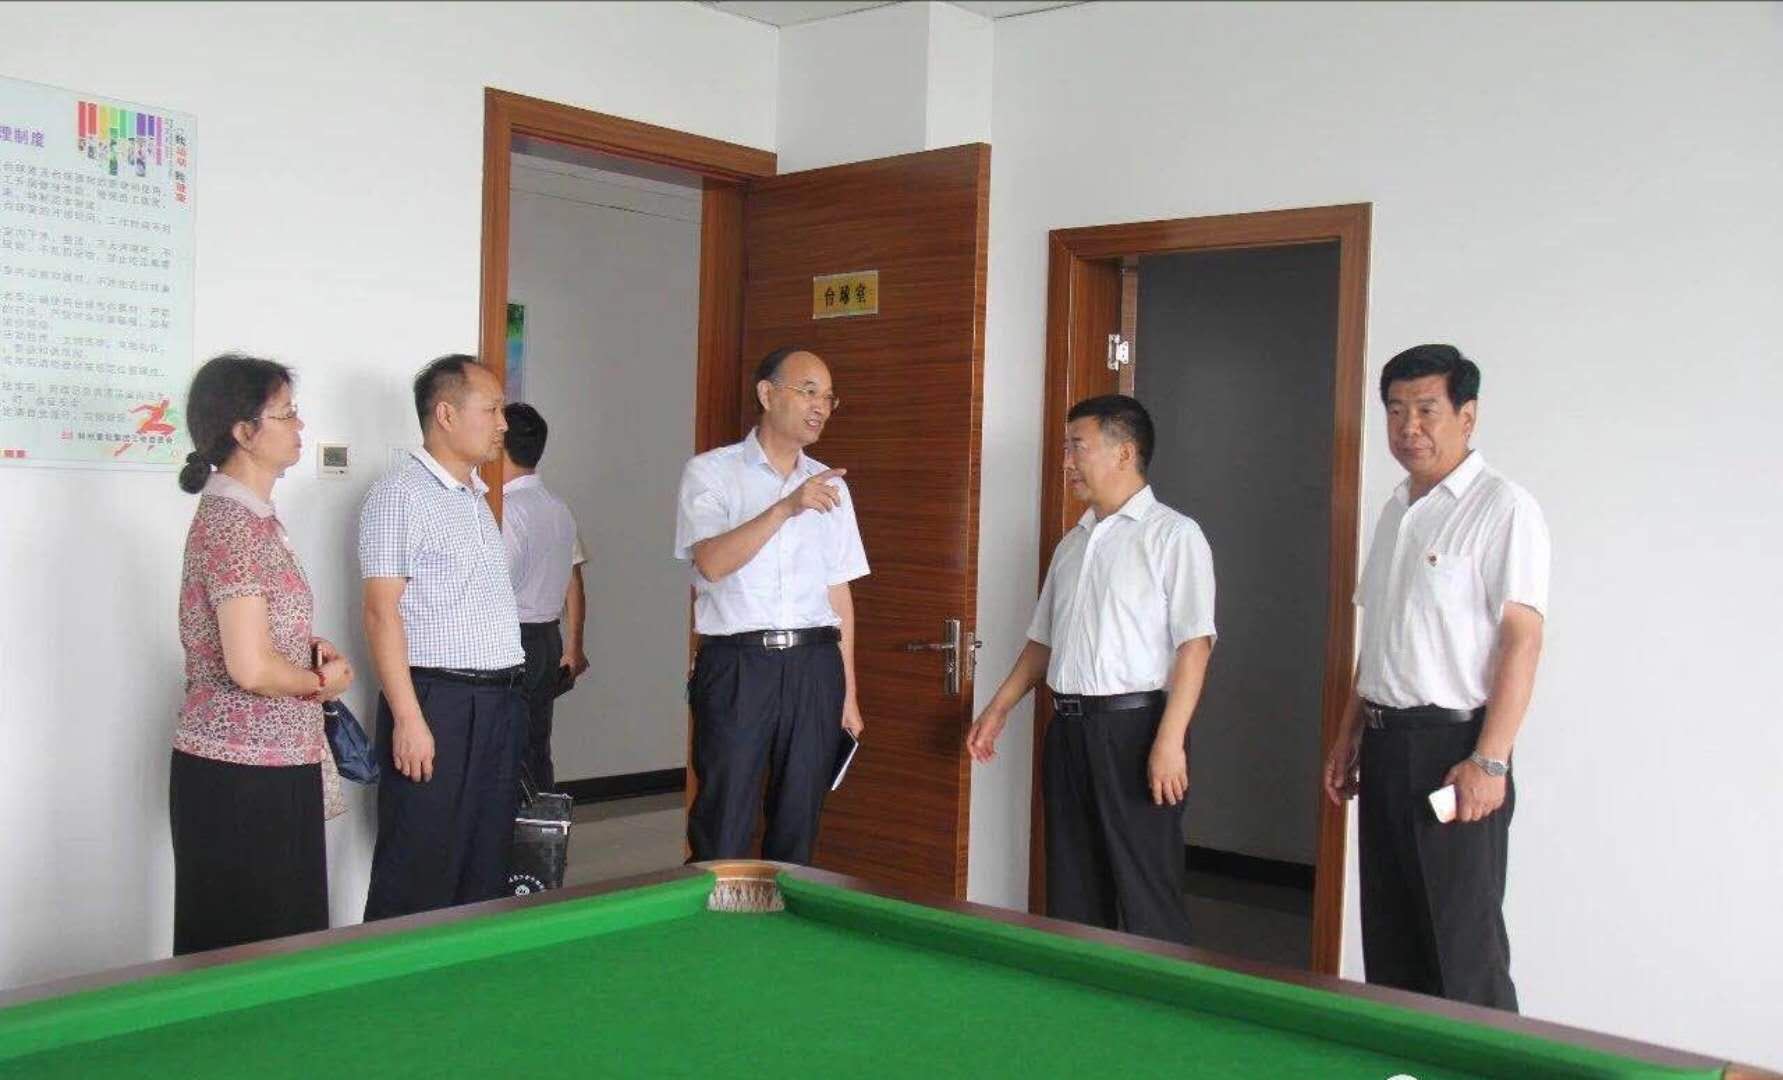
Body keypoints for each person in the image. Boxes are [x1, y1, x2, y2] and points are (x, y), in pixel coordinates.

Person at [1323, 343, 1550, 1011]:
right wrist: (1348, 735)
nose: (1408, 427)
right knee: (1392, 940)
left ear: (1466, 416)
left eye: (1426, 409)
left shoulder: (1501, 507)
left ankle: (1489, 1060)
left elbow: (1522, 639)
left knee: (1462, 949)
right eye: (1395, 411)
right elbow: (1380, 639)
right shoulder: (1397, 510)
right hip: (1384, 743)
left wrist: (1490, 760)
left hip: (1454, 751)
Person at [967, 394, 1214, 945]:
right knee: (1073, 888)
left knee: (1146, 889)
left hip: (1137, 731)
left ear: (1125, 452)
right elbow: (1042, 642)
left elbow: (1194, 647)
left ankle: (1161, 995)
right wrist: (999, 708)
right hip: (1069, 731)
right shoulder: (1072, 545)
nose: (1067, 462)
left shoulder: (1174, 536)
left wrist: (1170, 741)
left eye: (1077, 447)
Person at [171, 353, 354, 955]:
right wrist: (320, 683)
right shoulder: (232, 524)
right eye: (286, 414)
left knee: (282, 946)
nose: (300, 426)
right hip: (242, 777)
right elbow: (249, 667)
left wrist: (307, 652)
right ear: (244, 432)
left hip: (273, 764)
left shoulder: (255, 518)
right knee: (248, 952)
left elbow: (261, 636)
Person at [674, 346, 868, 864]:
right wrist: (785, 508)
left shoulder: (831, 485)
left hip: (815, 665)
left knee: (799, 819)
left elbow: (838, 592)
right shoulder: (710, 473)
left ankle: (786, 917)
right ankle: (716, 916)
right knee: (724, 818)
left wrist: (848, 693)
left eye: (829, 398)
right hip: (739, 664)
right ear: (766, 393)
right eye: (809, 391)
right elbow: (711, 563)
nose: (820, 406)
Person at [358, 354, 527, 919]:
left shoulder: (475, 497)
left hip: (499, 701)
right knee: (419, 864)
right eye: (493, 409)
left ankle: (470, 973)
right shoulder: (400, 494)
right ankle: (392, 973)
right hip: (439, 702)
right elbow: (381, 613)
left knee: (485, 861)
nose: (503, 423)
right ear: (447, 415)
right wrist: (409, 720)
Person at [499, 402, 589, 793]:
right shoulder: (558, 508)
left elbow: (494, 588)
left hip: (510, 640)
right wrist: (574, 645)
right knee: (536, 747)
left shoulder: (504, 511)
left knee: (505, 751)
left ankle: (510, 831)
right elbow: (574, 581)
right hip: (546, 640)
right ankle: (544, 829)